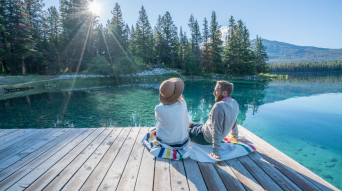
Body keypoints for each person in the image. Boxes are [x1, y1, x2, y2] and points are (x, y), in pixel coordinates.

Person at [189, 80, 239, 159]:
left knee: (183, 130)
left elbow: (216, 129)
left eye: (216, 91)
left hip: (204, 137)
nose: (213, 93)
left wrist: (216, 151)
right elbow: (234, 121)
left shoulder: (219, 106)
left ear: (224, 93)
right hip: (206, 128)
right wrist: (235, 137)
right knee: (190, 124)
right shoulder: (234, 103)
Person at [154, 77, 190, 149]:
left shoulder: (159, 109)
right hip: (184, 142)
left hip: (168, 143)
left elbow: (160, 121)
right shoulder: (183, 103)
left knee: (159, 125)